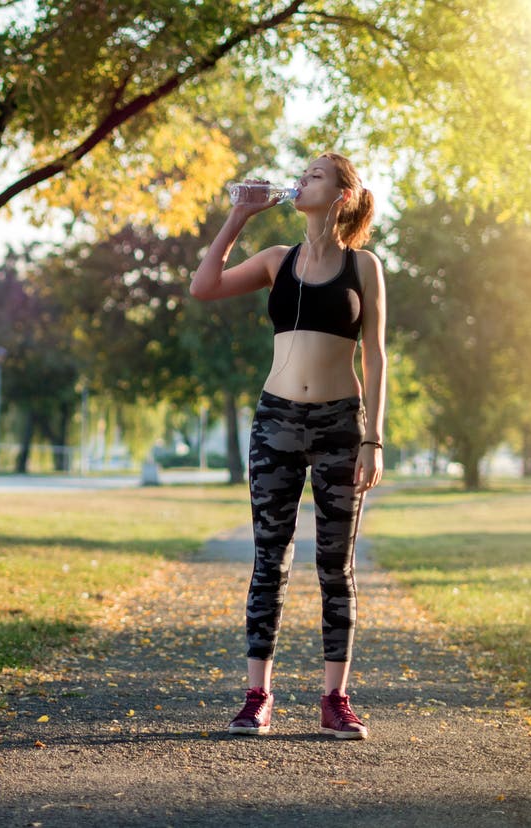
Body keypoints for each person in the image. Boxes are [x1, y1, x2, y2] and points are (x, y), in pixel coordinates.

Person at [189, 152, 387, 740]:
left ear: (342, 197)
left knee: (335, 564)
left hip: (339, 425)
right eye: (302, 175)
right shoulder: (279, 261)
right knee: (268, 560)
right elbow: (205, 287)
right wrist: (238, 218)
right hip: (276, 418)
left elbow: (375, 354)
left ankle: (335, 699)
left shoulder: (364, 267)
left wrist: (372, 437)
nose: (301, 182)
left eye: (315, 176)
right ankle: (257, 696)